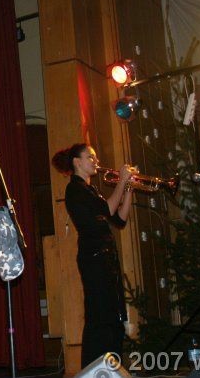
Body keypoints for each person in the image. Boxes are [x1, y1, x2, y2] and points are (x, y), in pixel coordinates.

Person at [51, 143, 133, 368]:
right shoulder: (75, 189)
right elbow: (107, 209)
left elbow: (120, 219)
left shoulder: (92, 190)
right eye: (91, 157)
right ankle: (93, 368)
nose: (96, 161)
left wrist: (129, 188)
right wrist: (122, 181)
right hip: (94, 258)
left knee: (114, 317)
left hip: (106, 257)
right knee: (99, 318)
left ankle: (112, 367)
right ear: (77, 162)